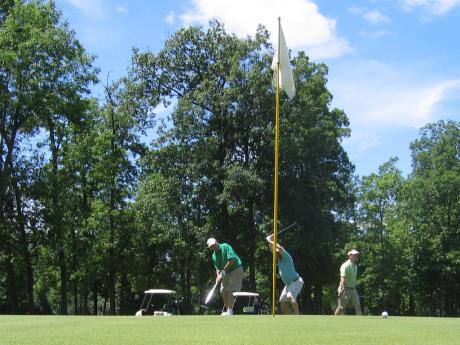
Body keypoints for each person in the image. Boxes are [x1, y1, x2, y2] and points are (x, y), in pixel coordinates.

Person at [266, 234, 304, 314]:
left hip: (296, 281)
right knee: (282, 301)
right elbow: (272, 249)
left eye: (277, 252)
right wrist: (270, 241)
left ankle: (298, 317)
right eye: (275, 253)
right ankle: (289, 318)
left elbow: (279, 248)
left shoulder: (286, 256)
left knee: (290, 296)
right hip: (288, 284)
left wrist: (270, 240)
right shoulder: (279, 259)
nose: (276, 254)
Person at [207, 237, 244, 316]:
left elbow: (231, 260)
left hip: (236, 269)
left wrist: (222, 273)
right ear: (210, 248)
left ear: (216, 242)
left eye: (214, 245)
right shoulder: (214, 256)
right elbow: (218, 268)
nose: (213, 247)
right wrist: (218, 276)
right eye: (211, 246)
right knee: (222, 291)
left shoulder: (225, 246)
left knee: (230, 289)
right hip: (226, 272)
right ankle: (228, 311)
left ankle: (230, 311)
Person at [335, 249, 362, 315]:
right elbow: (342, 278)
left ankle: (361, 322)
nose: (356, 256)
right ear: (350, 256)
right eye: (354, 255)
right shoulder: (345, 266)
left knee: (358, 306)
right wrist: (342, 289)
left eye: (356, 255)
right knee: (341, 307)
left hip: (353, 289)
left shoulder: (355, 266)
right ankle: (334, 320)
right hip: (345, 288)